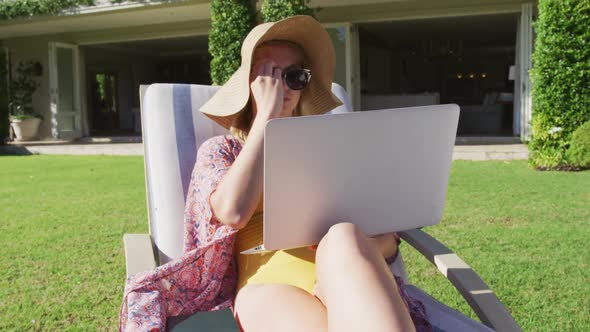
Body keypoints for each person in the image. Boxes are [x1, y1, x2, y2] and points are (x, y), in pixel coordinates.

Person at [119, 15, 430, 332]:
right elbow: (233, 212)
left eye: (294, 76)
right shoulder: (223, 150)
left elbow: (388, 241)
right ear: (249, 84)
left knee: (343, 235)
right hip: (270, 282)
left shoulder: (330, 149)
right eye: (269, 75)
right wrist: (266, 117)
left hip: (349, 272)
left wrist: (342, 253)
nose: (281, 86)